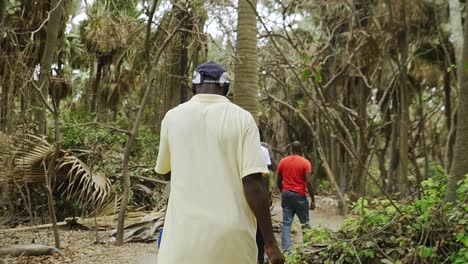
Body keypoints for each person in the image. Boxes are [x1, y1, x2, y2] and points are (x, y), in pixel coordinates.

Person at [155, 61, 284, 264]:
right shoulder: (243, 119)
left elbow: (165, 171)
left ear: (194, 85)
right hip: (232, 239)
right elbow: (252, 183)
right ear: (225, 85)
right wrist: (270, 244)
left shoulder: (172, 118)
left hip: (182, 238)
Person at [276, 141, 315, 252]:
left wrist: (283, 191)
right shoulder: (305, 163)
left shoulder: (283, 162)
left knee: (286, 224)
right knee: (305, 222)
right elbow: (309, 182)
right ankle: (309, 247)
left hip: (286, 194)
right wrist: (312, 199)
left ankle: (287, 251)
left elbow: (278, 181)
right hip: (300, 195)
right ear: (301, 150)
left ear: (291, 149)